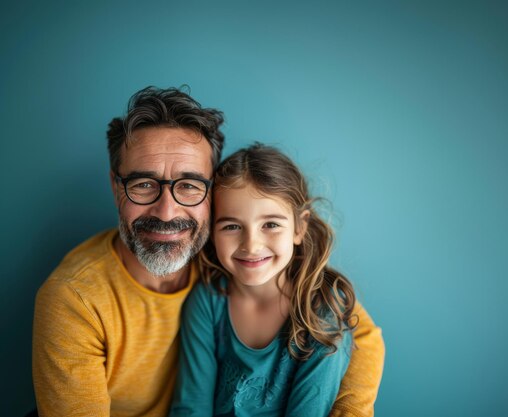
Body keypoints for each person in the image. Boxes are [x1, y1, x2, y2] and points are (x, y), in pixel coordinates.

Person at [32, 86, 385, 417]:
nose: (167, 212)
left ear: (211, 195)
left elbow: (362, 336)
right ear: (115, 186)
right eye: (143, 184)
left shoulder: (224, 262)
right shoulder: (75, 299)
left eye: (188, 186)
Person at [170, 144, 359, 416]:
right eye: (232, 226)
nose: (251, 244)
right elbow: (191, 406)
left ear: (299, 227)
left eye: (270, 224)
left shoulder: (322, 310)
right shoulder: (208, 300)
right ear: (212, 232)